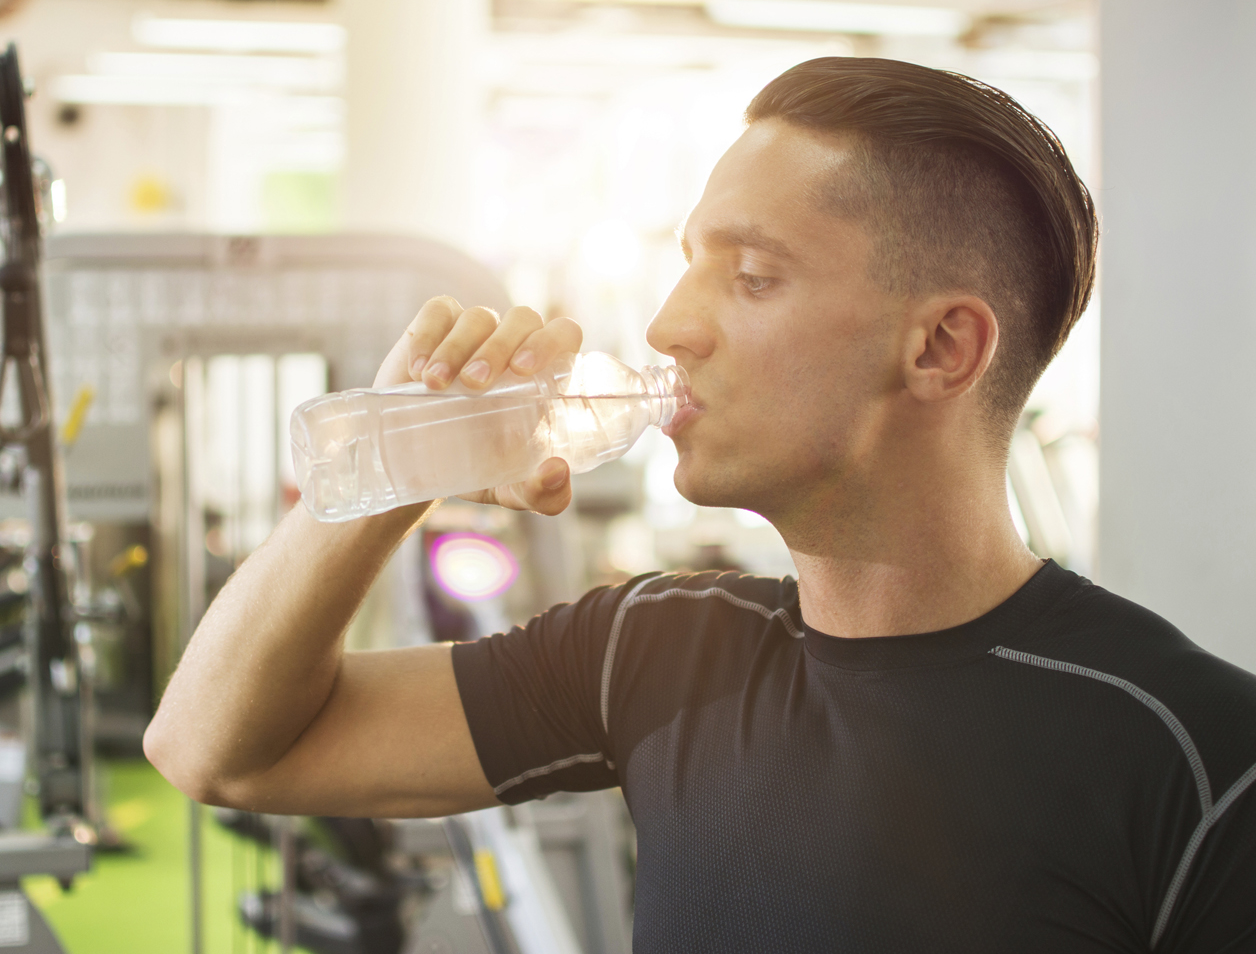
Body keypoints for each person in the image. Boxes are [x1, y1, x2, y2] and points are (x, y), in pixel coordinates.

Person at [145, 58, 1256, 953]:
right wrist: (392, 460)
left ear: (941, 347)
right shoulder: (657, 648)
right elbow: (217, 751)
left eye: (753, 276)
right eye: (686, 266)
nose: (671, 325)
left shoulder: (1198, 761)